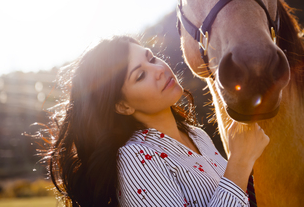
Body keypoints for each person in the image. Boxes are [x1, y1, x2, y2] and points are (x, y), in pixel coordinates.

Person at [44, 35, 269, 206]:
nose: (159, 70)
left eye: (151, 58)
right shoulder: (136, 157)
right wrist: (239, 162)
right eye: (140, 75)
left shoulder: (196, 135)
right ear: (123, 106)